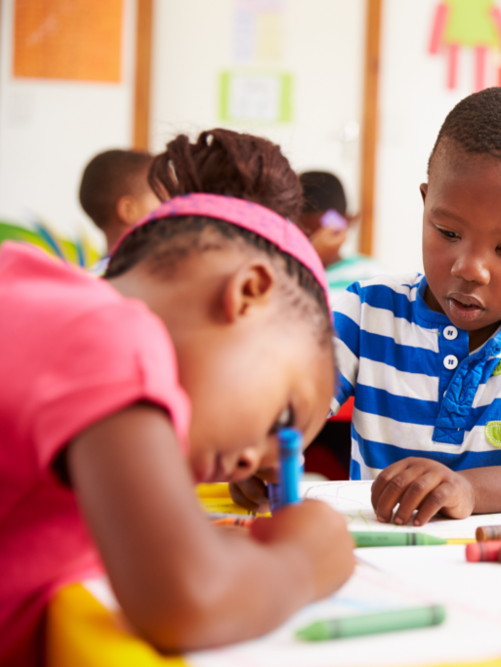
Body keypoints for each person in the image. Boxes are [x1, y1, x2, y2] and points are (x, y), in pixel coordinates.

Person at [0, 128, 355, 664]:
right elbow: (188, 600)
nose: (248, 465)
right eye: (281, 418)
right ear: (248, 293)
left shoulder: (34, 292)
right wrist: (304, 563)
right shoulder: (115, 338)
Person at [233, 87, 501, 524]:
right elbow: (289, 409)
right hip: (382, 556)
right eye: (448, 232)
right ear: (426, 205)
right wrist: (262, 449)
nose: (469, 268)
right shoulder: (366, 312)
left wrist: (468, 489)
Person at [297, 170, 383, 296]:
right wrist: (313, 257)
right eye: (304, 234)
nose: (313, 241)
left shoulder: (370, 275)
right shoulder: (283, 273)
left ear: (348, 221)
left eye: (316, 234)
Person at [78, 149, 161, 274]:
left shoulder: (92, 278)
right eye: (164, 198)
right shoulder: (151, 277)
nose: (176, 207)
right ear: (129, 210)